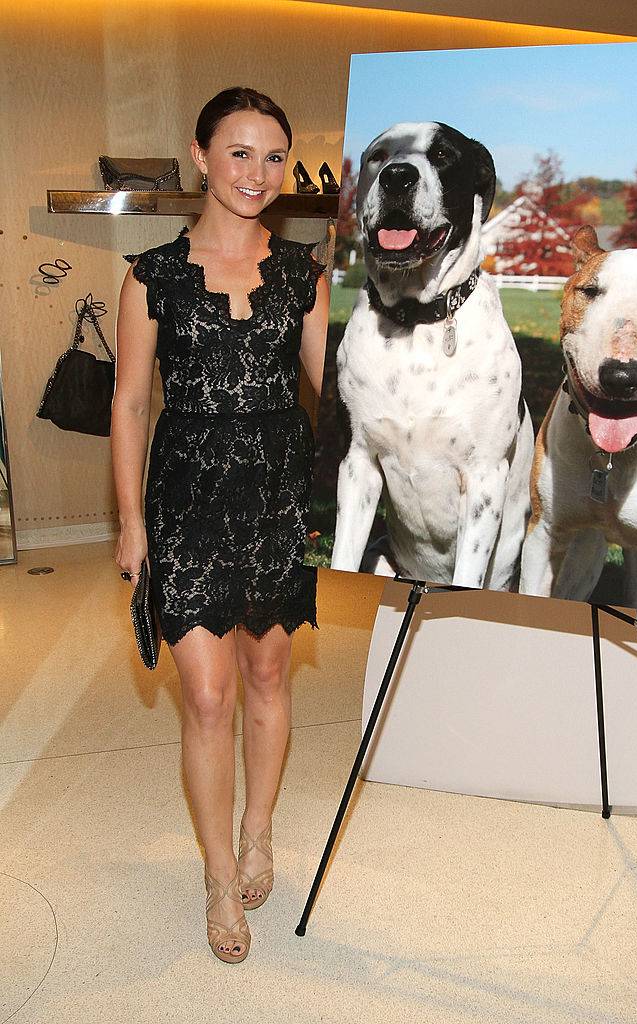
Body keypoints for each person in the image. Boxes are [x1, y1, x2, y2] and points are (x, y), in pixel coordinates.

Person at [110, 86, 329, 964]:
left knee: (269, 675)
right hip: (187, 497)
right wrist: (131, 523)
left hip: (279, 495)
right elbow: (129, 404)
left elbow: (337, 393)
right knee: (207, 693)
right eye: (240, 153)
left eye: (274, 156)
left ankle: (260, 830)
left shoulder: (306, 275)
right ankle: (213, 874)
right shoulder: (151, 275)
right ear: (201, 156)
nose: (258, 172)